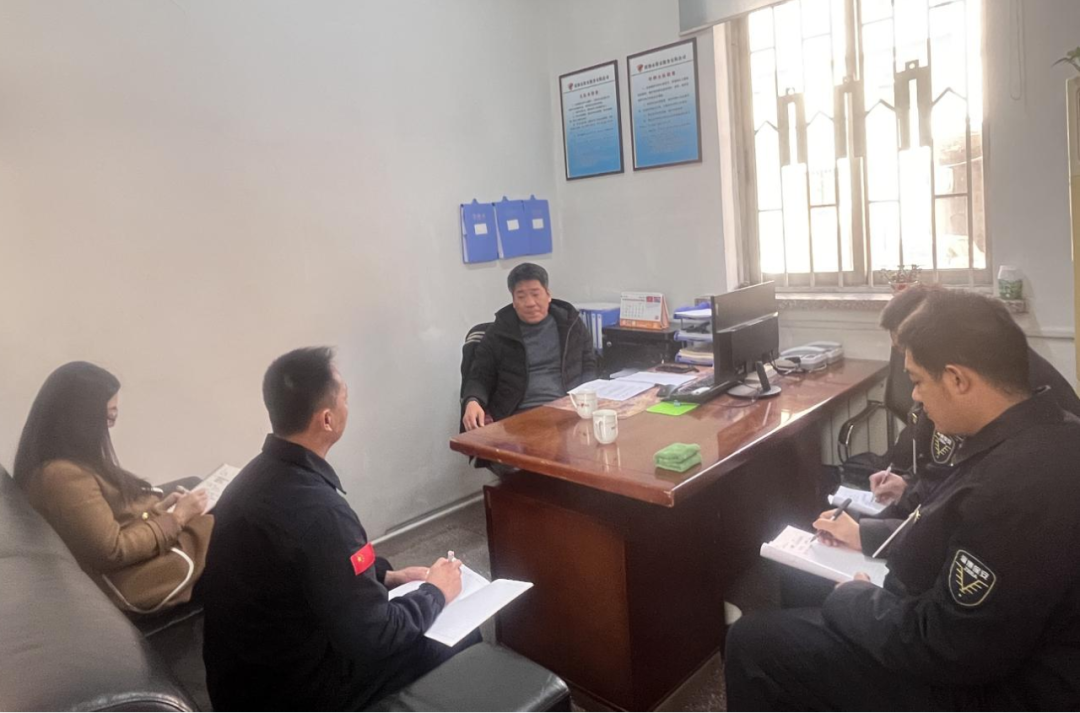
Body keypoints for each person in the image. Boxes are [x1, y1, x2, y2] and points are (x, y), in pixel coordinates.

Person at [725, 291, 1080, 711]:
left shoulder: (1012, 490)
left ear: (957, 379)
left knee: (752, 641)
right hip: (986, 641)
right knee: (802, 578)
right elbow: (943, 515)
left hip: (998, 688)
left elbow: (947, 648)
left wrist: (857, 599)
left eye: (918, 381)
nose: (915, 397)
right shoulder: (1046, 431)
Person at [201, 347, 471, 711]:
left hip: (240, 684)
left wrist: (387, 576)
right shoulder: (320, 512)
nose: (348, 406)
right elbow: (375, 635)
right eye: (344, 398)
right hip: (293, 694)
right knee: (460, 635)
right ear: (327, 419)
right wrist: (435, 592)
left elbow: (310, 571)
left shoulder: (250, 479)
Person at [13, 361, 212, 613]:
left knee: (225, 514)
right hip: (131, 580)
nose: (110, 426)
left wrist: (159, 510)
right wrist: (178, 518)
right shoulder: (62, 478)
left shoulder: (65, 462)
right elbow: (113, 551)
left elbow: (103, 524)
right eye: (109, 417)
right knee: (233, 530)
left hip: (134, 554)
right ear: (81, 420)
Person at [862, 284, 1080, 510]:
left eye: (907, 347)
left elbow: (966, 486)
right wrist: (910, 487)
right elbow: (947, 472)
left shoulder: (1007, 394)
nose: (915, 393)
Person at [461, 262, 597, 430]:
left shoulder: (571, 324)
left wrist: (585, 400)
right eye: (521, 296)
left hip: (568, 410)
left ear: (548, 295)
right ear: (513, 301)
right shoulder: (499, 332)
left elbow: (589, 365)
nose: (530, 303)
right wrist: (473, 400)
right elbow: (480, 375)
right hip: (518, 416)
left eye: (535, 294)